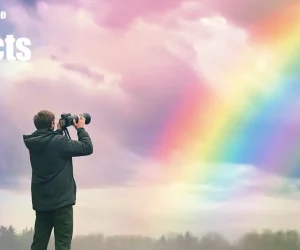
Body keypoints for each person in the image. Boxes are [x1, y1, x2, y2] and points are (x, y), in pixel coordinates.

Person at [23, 110, 93, 250]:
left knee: (39, 243)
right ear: (52, 123)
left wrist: (58, 131)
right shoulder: (59, 142)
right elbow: (87, 147)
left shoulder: (34, 144)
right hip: (62, 203)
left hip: (42, 202)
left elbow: (50, 146)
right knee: (62, 244)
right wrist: (80, 129)